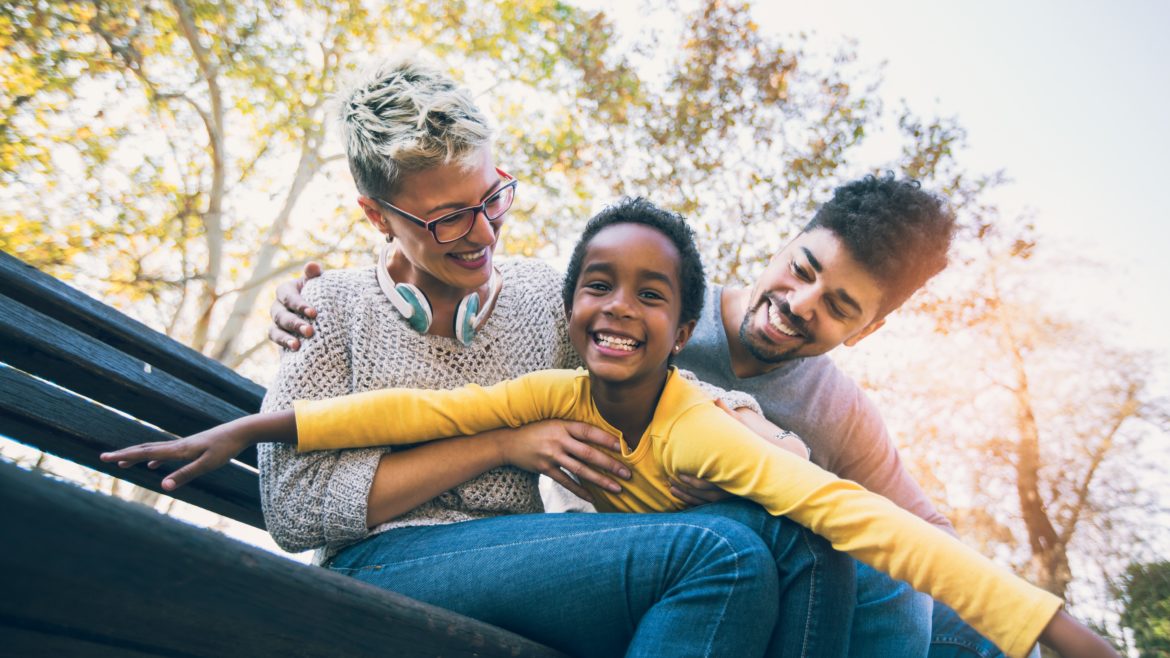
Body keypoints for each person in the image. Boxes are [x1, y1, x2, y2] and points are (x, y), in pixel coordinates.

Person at [105, 200, 1117, 658]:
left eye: (839, 305)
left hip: (670, 558)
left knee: (924, 607)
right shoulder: (582, 352)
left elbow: (889, 518)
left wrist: (1044, 625)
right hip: (585, 557)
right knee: (744, 544)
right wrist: (279, 390)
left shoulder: (771, 414)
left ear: (678, 329)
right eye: (804, 267)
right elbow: (439, 389)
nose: (803, 303)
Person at [102, 54, 858, 658]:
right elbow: (295, 511)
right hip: (386, 564)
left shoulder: (542, 297)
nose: (484, 233)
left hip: (538, 562)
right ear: (376, 215)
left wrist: (763, 445)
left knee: (797, 539)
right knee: (718, 557)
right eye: (448, 217)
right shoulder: (330, 308)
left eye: (494, 197)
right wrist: (503, 442)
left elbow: (665, 387)